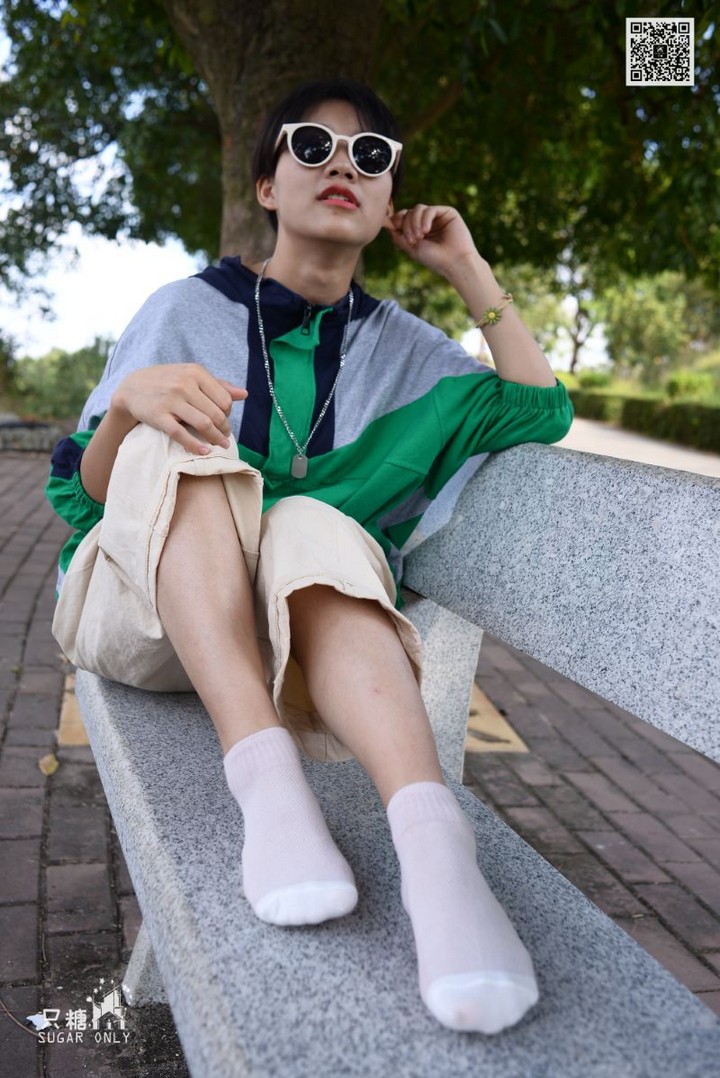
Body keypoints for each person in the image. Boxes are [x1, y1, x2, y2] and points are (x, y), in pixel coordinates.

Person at [46, 77, 573, 1036]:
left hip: (309, 644)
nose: (343, 166)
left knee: (314, 528)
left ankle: (435, 849)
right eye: (312, 146)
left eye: (372, 156)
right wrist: (127, 409)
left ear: (389, 197)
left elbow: (541, 411)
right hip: (157, 617)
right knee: (190, 443)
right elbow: (82, 501)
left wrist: (466, 267)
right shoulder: (182, 310)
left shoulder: (406, 352)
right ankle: (267, 782)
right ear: (266, 185)